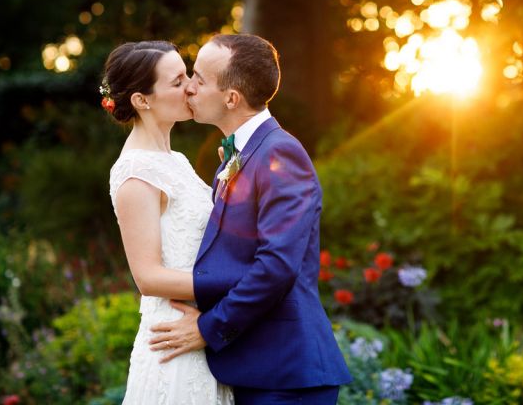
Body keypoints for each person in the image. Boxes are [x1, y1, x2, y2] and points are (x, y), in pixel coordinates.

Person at [147, 34, 352, 404]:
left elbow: (276, 266)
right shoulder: (237, 156)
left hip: (286, 375)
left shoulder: (281, 153)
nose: (189, 88)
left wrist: (208, 328)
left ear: (231, 98)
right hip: (255, 367)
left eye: (199, 79)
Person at [104, 41, 233, 404]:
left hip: (201, 333)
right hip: (173, 339)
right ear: (143, 101)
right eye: (177, 82)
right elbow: (147, 277)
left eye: (189, 75)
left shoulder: (174, 159)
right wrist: (235, 286)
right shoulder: (135, 172)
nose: (191, 87)